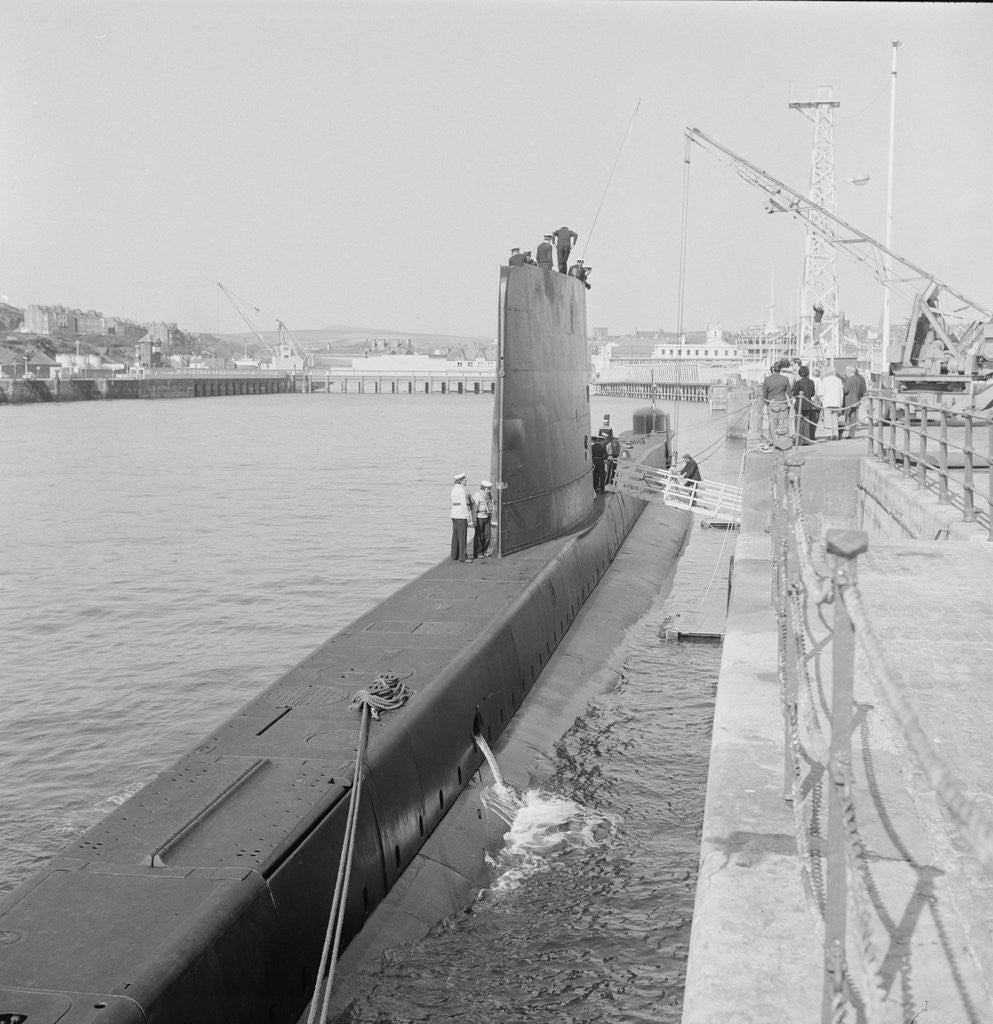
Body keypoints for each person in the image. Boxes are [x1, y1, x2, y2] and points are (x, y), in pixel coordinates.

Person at [761, 362, 792, 445]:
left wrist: (766, 403)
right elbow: (789, 392)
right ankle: (784, 440)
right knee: (783, 422)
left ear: (773, 369)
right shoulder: (785, 379)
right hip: (783, 402)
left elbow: (764, 394)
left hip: (772, 402)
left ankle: (772, 440)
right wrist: (791, 403)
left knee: (772, 422)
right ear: (780, 370)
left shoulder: (767, 379)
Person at [792, 365, 817, 445]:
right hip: (808, 404)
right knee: (806, 422)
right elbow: (813, 394)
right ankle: (806, 440)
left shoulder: (798, 382)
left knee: (798, 421)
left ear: (800, 373)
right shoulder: (811, 382)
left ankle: (799, 440)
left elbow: (795, 394)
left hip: (799, 404)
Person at [450, 472, 472, 562]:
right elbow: (463, 503)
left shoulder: (454, 489)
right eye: (464, 479)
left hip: (454, 514)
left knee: (455, 535)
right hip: (461, 514)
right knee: (462, 536)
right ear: (461, 481)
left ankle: (454, 555)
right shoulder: (462, 490)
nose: (466, 481)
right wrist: (467, 515)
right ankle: (463, 556)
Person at [842, 365, 867, 439]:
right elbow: (862, 391)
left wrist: (842, 387)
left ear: (849, 372)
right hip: (856, 401)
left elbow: (845, 390)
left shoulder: (849, 380)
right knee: (853, 419)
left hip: (848, 402)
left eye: (846, 371)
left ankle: (839, 434)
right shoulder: (858, 379)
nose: (845, 373)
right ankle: (851, 435)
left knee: (844, 418)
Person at [472, 480, 495, 558]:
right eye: (488, 489)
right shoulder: (477, 495)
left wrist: (491, 515)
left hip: (487, 516)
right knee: (478, 535)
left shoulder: (490, 495)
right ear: (483, 488)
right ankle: (478, 552)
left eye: (489, 489)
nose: (489, 490)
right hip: (479, 517)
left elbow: (491, 505)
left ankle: (484, 550)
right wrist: (474, 520)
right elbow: (474, 509)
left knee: (488, 534)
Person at [820, 366, 844, 440]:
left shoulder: (825, 380)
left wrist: (821, 399)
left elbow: (821, 392)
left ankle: (829, 435)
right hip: (836, 402)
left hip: (827, 402)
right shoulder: (839, 380)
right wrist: (841, 402)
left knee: (828, 419)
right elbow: (841, 393)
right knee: (835, 418)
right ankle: (836, 434)